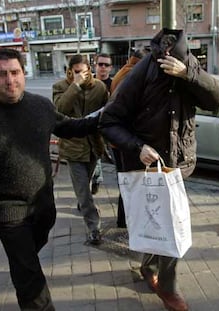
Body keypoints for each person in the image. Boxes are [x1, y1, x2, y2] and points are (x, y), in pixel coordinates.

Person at [0, 48, 100, 310]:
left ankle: (22, 263)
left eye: (15, 72)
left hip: (43, 204)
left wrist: (104, 117)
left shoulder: (40, 106)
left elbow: (70, 127)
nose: (10, 80)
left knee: (27, 257)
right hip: (6, 210)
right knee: (29, 275)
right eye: (1, 74)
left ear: (23, 73)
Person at [100, 28, 219, 311]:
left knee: (167, 225)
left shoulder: (189, 66)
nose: (168, 62)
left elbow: (217, 100)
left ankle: (150, 269)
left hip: (178, 166)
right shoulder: (142, 72)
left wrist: (188, 74)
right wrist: (137, 147)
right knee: (163, 225)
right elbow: (109, 122)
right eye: (164, 58)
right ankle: (169, 290)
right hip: (148, 169)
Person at [52, 54, 108, 245]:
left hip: (94, 146)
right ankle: (94, 227)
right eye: (77, 72)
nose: (81, 76)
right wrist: (74, 86)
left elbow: (106, 112)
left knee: (88, 183)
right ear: (70, 71)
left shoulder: (99, 87)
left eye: (84, 72)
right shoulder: (60, 87)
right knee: (83, 190)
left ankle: (84, 203)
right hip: (73, 147)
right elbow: (60, 109)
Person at [109, 48, 147, 228]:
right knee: (129, 182)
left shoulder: (124, 71)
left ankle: (123, 221)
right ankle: (125, 222)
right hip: (124, 139)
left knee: (126, 181)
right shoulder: (131, 76)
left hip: (119, 139)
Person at [91, 53, 113, 195]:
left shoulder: (114, 84)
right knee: (94, 159)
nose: (103, 68)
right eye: (100, 64)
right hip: (91, 127)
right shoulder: (88, 82)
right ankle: (95, 182)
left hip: (110, 128)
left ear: (110, 68)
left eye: (106, 65)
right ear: (95, 65)